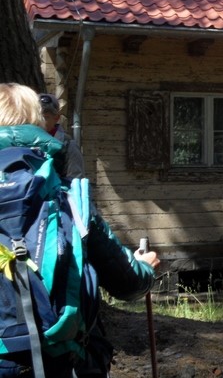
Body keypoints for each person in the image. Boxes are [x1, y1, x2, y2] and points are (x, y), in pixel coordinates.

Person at [0, 83, 159, 377]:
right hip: (60, 360)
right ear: (37, 123)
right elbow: (126, 282)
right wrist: (145, 269)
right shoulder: (66, 197)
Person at [39, 92, 86, 179]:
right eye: (37, 116)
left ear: (56, 118)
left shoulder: (67, 145)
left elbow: (75, 179)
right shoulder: (23, 141)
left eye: (45, 117)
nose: (40, 122)